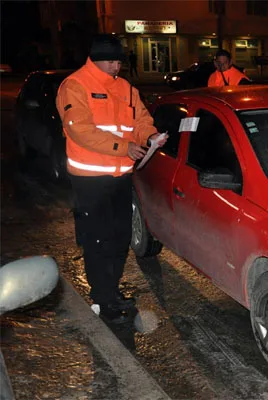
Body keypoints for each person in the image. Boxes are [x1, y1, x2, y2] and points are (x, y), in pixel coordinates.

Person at [55, 34, 168, 324]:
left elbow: (140, 119)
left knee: (119, 239)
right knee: (97, 241)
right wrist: (123, 147)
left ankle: (111, 291)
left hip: (120, 178)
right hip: (90, 180)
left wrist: (150, 135)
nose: (116, 66)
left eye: (119, 61)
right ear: (95, 58)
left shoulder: (126, 88)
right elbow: (79, 129)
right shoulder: (75, 85)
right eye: (111, 61)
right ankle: (103, 300)